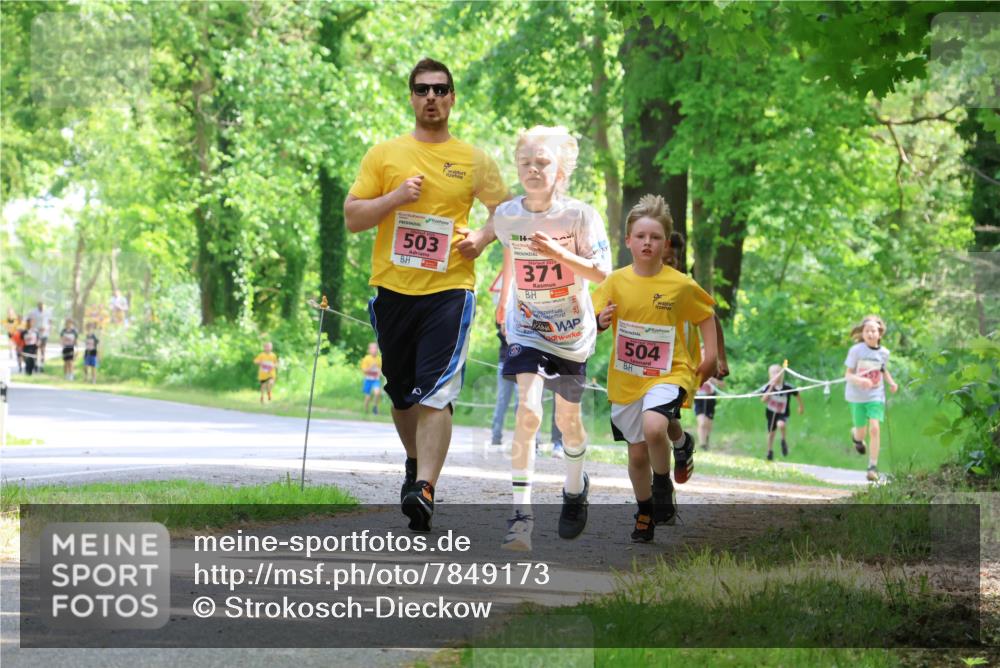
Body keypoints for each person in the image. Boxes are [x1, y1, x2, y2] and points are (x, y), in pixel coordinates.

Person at [344, 58, 508, 532]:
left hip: (450, 290)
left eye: (440, 89)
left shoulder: (474, 159)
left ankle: (426, 488)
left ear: (453, 98)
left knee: (436, 390)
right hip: (393, 288)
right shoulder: (384, 155)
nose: (432, 97)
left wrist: (482, 237)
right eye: (422, 90)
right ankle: (416, 465)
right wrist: (395, 198)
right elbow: (354, 217)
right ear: (412, 98)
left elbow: (507, 213)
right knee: (400, 394)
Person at [493, 125, 611, 550]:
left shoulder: (581, 216)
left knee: (567, 422)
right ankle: (520, 520)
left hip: (572, 333)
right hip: (526, 326)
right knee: (527, 412)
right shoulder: (507, 215)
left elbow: (601, 273)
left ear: (560, 168)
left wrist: (559, 254)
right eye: (526, 162)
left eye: (542, 162)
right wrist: (503, 300)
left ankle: (575, 486)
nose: (533, 169)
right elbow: (507, 250)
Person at [593, 195, 718, 543]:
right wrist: (600, 321)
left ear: (665, 243)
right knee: (636, 455)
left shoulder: (679, 284)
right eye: (641, 236)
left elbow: (706, 315)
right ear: (628, 240)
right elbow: (591, 318)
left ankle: (661, 485)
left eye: (656, 237)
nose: (648, 242)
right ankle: (645, 509)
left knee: (654, 427)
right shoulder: (615, 282)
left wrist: (710, 356)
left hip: (669, 372)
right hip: (628, 378)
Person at [845, 315, 898, 481]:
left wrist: (891, 382)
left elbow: (883, 370)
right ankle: (856, 437)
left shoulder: (884, 353)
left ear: (879, 334)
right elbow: (847, 375)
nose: (870, 334)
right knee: (861, 433)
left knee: (874, 428)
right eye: (866, 331)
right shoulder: (856, 351)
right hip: (856, 396)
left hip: (875, 395)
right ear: (862, 333)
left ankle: (872, 467)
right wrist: (860, 380)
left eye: (873, 331)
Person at [759, 364, 804, 460]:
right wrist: (771, 387)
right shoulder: (767, 387)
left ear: (782, 375)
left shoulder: (787, 387)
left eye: (777, 372)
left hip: (783, 413)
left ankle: (783, 441)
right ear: (769, 375)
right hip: (771, 413)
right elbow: (763, 400)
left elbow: (797, 394)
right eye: (773, 373)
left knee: (781, 425)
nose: (775, 375)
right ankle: (769, 451)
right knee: (771, 433)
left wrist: (800, 406)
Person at [694, 361, 724, 451]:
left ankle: (706, 440)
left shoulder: (716, 368)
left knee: (708, 423)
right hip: (699, 398)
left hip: (710, 398)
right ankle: (702, 444)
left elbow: (722, 384)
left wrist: (713, 380)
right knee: (702, 422)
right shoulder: (695, 366)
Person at [25, 302, 51, 370]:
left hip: (45, 333)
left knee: (43, 349)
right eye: (40, 305)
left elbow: (50, 322)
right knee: (36, 349)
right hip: (36, 333)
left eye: (42, 305)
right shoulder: (33, 312)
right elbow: (28, 320)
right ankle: (36, 364)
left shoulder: (47, 312)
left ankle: (42, 365)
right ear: (38, 305)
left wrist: (47, 328)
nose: (41, 306)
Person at [359, 342, 383, 415]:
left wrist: (380, 373)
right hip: (368, 379)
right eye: (372, 348)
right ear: (369, 350)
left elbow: (381, 369)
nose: (374, 350)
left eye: (376, 348)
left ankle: (375, 407)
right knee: (368, 396)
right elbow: (364, 370)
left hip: (376, 379)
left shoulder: (379, 359)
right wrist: (371, 367)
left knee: (377, 392)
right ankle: (366, 410)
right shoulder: (366, 359)